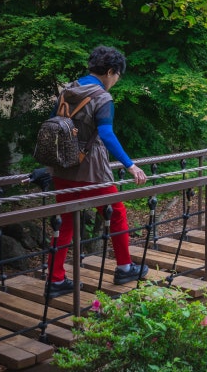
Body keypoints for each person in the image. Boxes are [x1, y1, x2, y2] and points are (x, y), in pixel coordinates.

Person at [46, 46, 148, 298]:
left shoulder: (68, 90)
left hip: (62, 166)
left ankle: (55, 279)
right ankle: (125, 267)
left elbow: (51, 123)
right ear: (111, 72)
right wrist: (130, 164)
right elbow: (106, 134)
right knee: (116, 213)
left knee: (65, 221)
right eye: (117, 76)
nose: (116, 81)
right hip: (91, 170)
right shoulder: (102, 97)